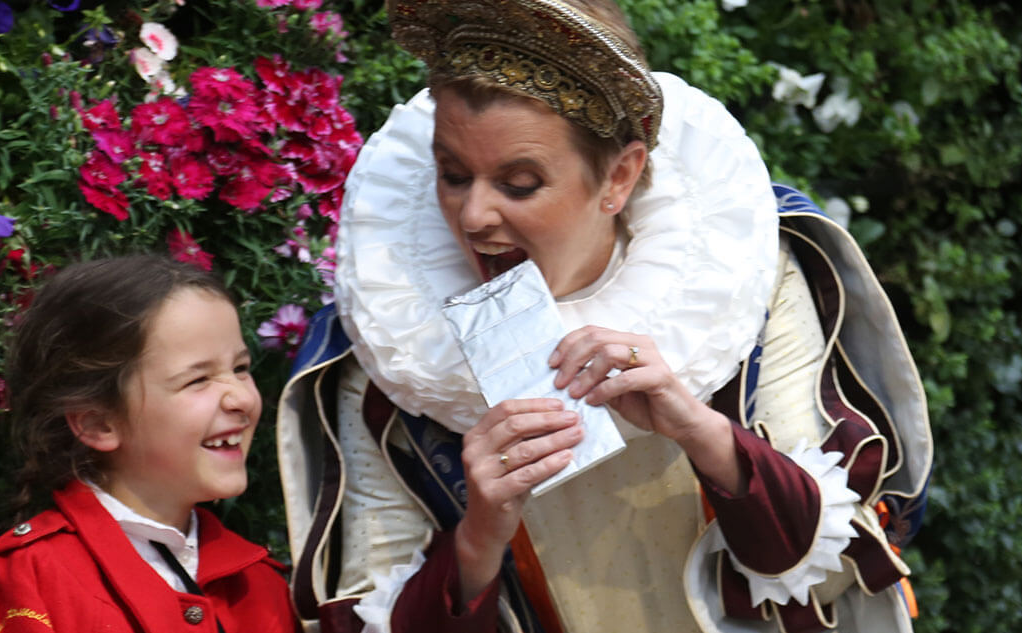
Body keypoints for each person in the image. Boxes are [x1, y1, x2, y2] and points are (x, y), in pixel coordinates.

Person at [279, 1, 934, 632]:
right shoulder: (387, 344)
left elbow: (832, 577)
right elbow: (365, 609)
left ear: (619, 178)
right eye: (452, 174)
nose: (474, 216)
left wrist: (702, 432)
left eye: (518, 182)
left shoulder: (749, 281)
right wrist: (479, 536)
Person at [0, 255, 298, 633]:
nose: (240, 398)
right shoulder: (28, 580)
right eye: (198, 380)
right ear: (98, 423)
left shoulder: (261, 585)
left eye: (240, 368)